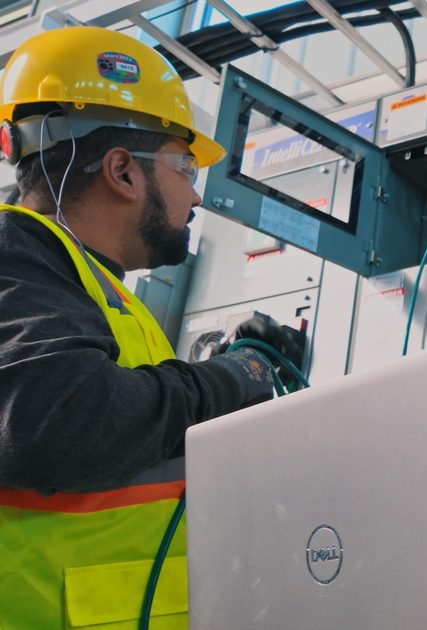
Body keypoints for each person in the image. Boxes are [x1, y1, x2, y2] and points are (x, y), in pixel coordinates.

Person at [0, 27, 301, 628]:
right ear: (122, 172)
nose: (196, 194)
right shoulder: (14, 257)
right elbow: (63, 420)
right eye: (185, 165)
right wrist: (236, 374)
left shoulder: (89, 285)